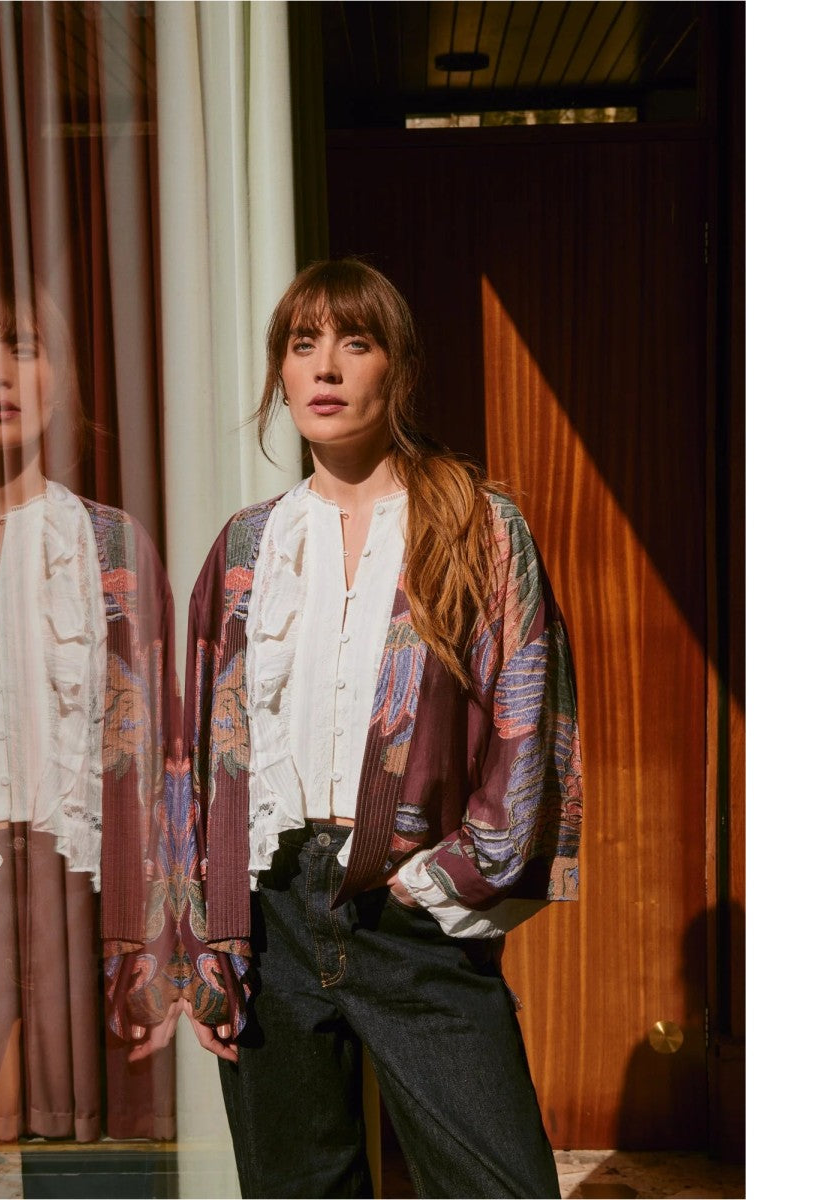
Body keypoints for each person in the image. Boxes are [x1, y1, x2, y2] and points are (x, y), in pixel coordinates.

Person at [178, 259, 584, 1198]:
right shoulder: (248, 547)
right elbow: (201, 755)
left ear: (396, 367)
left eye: (354, 343)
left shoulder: (476, 528)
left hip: (411, 908)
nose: (325, 367)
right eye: (302, 344)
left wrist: (446, 881)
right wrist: (210, 939)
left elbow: (530, 719)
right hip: (272, 919)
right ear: (280, 373)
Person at [0, 273, 184, 1143]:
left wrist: (168, 943)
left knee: (89, 1150)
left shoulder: (109, 545)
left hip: (82, 894)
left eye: (24, 348)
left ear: (61, 376)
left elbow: (164, 755)